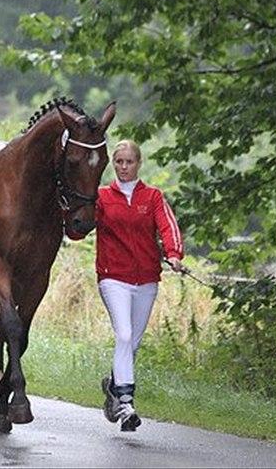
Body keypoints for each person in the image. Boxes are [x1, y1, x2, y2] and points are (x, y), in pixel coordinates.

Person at [95, 139, 184, 432]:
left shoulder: (153, 196)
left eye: (128, 162)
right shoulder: (102, 197)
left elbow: (168, 226)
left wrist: (173, 255)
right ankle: (125, 403)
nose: (123, 167)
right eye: (118, 162)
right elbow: (79, 227)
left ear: (138, 163)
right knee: (124, 334)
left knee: (132, 343)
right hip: (113, 277)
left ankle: (113, 384)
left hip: (146, 278)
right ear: (113, 164)